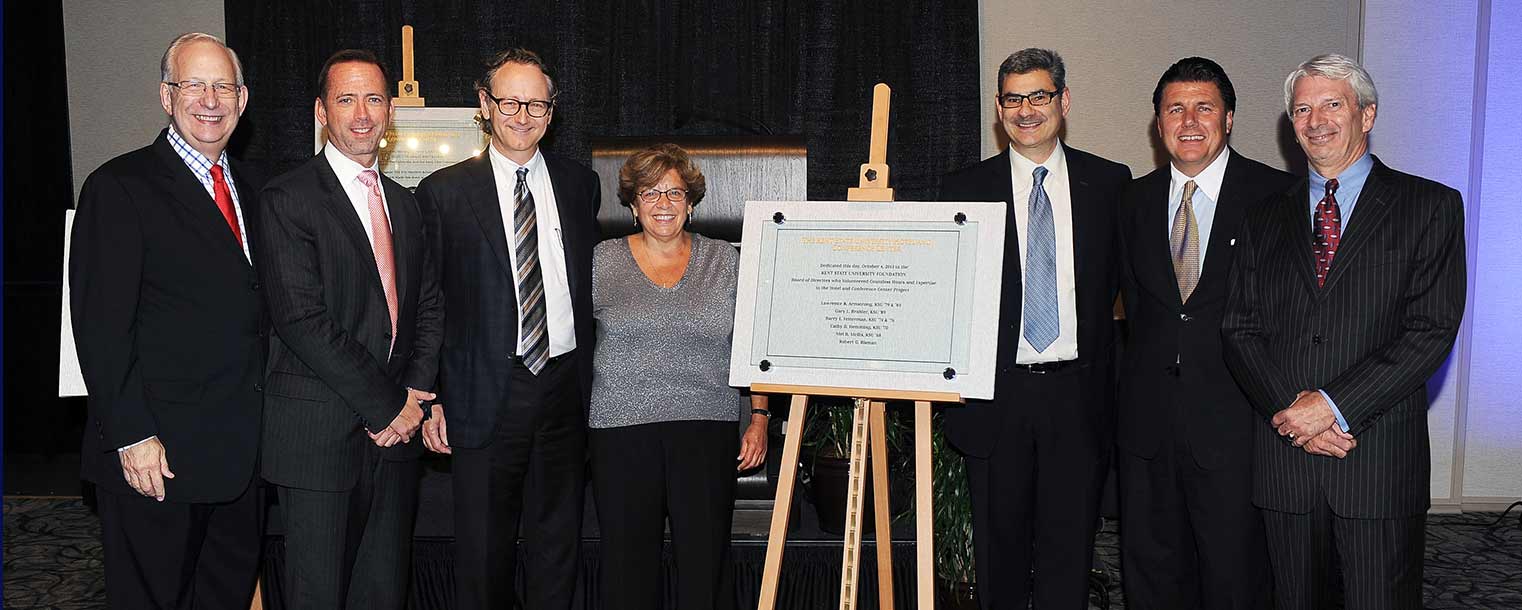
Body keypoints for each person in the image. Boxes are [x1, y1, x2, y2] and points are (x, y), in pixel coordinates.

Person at [1222, 54, 1465, 610]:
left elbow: (1430, 330)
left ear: (1368, 114)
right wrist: (1296, 413)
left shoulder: (1429, 206)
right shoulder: (1261, 216)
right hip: (1287, 462)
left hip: (1376, 460)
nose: (1316, 120)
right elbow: (1240, 328)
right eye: (1302, 109)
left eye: (1333, 104)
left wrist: (1332, 405)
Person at [69, 32, 264, 609]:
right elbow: (102, 327)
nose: (210, 99)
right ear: (165, 96)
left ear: (243, 98)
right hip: (158, 463)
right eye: (193, 85)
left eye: (223, 86)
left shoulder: (254, 189)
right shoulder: (119, 187)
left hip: (240, 460)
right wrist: (131, 435)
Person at [938, 48, 1131, 609]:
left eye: (1039, 96)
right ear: (999, 109)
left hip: (1079, 397)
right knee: (998, 560)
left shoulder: (1111, 184)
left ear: (1063, 102)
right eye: (1014, 99)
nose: (1027, 109)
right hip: (997, 400)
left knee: (1068, 557)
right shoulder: (963, 189)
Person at [413, 48, 601, 610]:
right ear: (484, 104)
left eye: (536, 102)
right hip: (482, 395)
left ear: (552, 109)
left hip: (564, 389)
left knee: (557, 546)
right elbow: (430, 302)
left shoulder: (579, 184)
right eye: (509, 101)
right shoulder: (443, 193)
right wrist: (434, 395)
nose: (523, 114)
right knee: (483, 555)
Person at [257, 49, 440, 609]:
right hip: (319, 440)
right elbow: (301, 320)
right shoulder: (287, 199)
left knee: (383, 593)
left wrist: (413, 394)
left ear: (390, 113)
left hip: (396, 440)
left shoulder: (406, 204)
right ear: (321, 111)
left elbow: (428, 307)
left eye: (375, 99)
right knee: (320, 596)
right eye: (346, 99)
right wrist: (388, 405)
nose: (362, 113)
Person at [1115, 57, 1295, 610]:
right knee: (1152, 577)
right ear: (1157, 122)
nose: (1189, 120)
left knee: (1235, 579)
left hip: (1239, 428)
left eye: (1204, 107)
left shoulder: (1279, 196)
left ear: (1230, 117)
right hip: (1147, 433)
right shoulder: (1131, 201)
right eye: (1175, 109)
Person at [588, 144, 769, 610]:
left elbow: (753, 345)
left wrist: (760, 417)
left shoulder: (725, 260)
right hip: (620, 432)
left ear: (691, 202)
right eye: (650, 193)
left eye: (674, 192)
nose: (663, 203)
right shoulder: (599, 261)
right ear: (632, 204)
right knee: (627, 570)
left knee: (705, 568)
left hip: (708, 427)